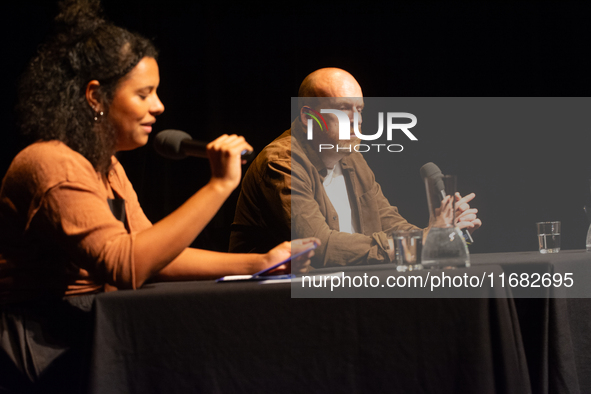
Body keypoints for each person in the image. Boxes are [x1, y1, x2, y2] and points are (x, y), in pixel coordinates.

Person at [0, 0, 317, 389]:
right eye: (144, 93)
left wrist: (258, 263)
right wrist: (218, 186)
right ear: (95, 97)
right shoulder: (51, 164)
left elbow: (154, 255)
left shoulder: (108, 166)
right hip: (42, 344)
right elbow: (126, 265)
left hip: (90, 325)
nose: (159, 106)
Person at [229, 67, 481, 267]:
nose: (356, 120)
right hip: (275, 301)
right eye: (343, 109)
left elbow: (389, 222)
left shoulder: (352, 157)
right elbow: (320, 248)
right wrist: (423, 241)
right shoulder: (282, 163)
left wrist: (439, 233)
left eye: (359, 109)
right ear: (309, 117)